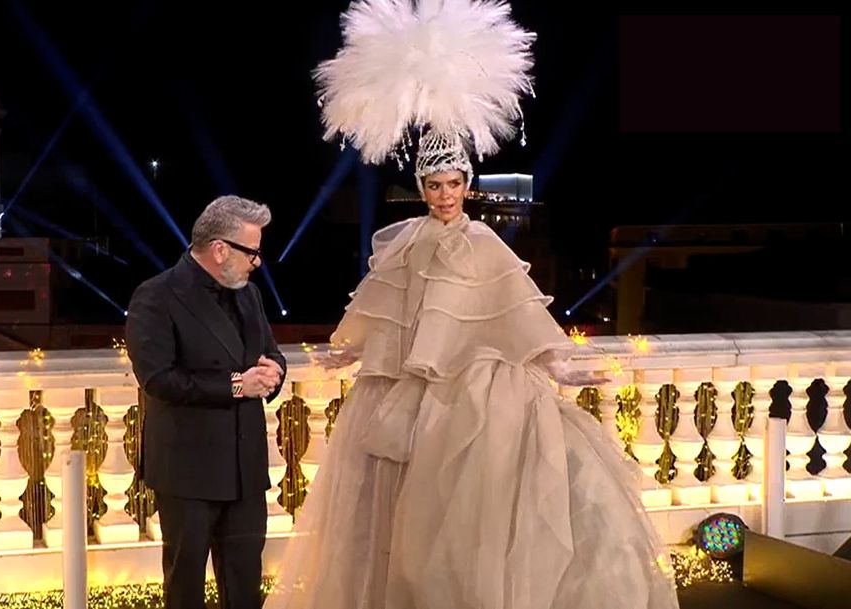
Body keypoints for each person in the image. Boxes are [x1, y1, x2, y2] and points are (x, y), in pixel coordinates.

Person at [265, 1, 680, 607]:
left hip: (474, 399)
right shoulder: (403, 244)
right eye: (433, 186)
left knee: (469, 516)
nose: (443, 196)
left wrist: (559, 362)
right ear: (422, 188)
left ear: (467, 186)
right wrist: (350, 351)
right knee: (391, 516)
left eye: (452, 185)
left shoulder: (484, 242)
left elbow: (513, 314)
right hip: (405, 398)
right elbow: (388, 314)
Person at [125, 195, 287, 609]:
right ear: (220, 249)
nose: (257, 262)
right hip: (188, 473)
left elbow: (271, 352)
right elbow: (159, 379)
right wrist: (238, 384)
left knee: (246, 586)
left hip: (245, 471)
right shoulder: (156, 296)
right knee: (186, 588)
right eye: (251, 252)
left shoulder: (248, 295)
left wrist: (274, 373)